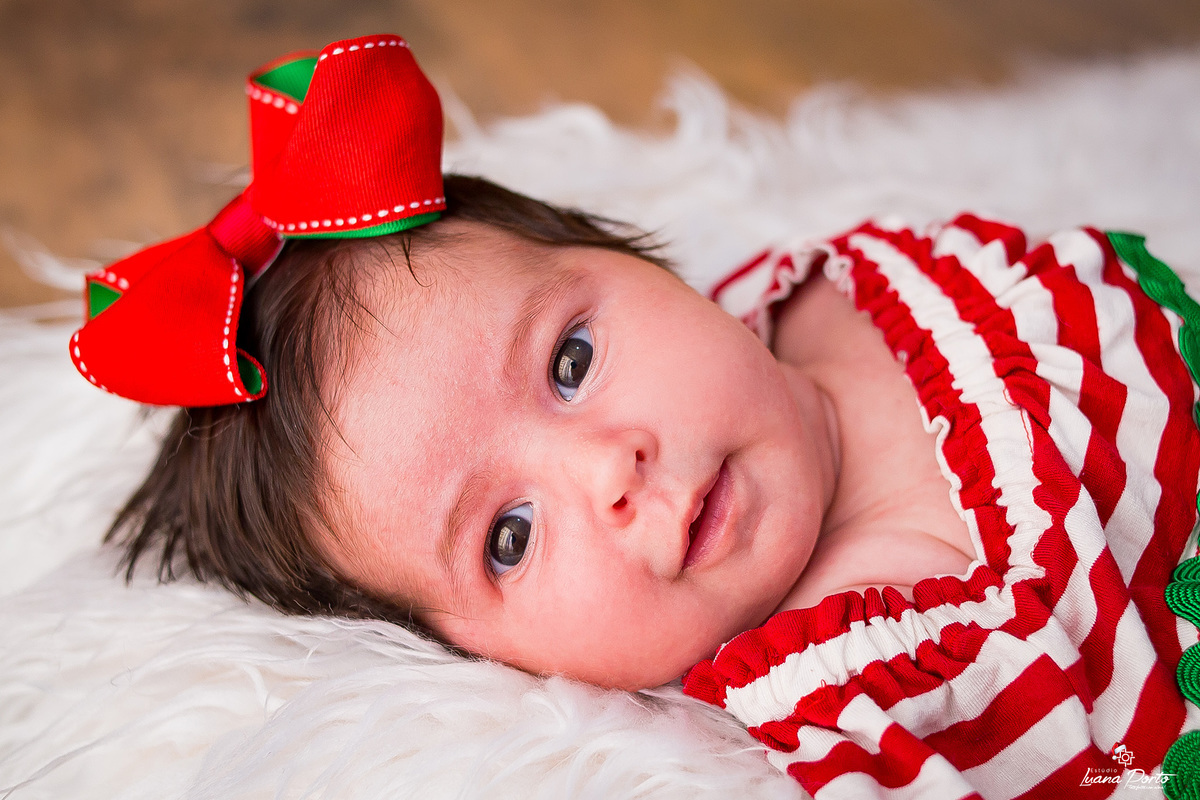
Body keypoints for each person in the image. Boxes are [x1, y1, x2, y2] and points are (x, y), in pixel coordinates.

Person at [73, 34, 1200, 799]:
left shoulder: (839, 282)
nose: (611, 469)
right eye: (508, 534)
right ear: (488, 659)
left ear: (637, 264)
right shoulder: (868, 702)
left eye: (570, 359)